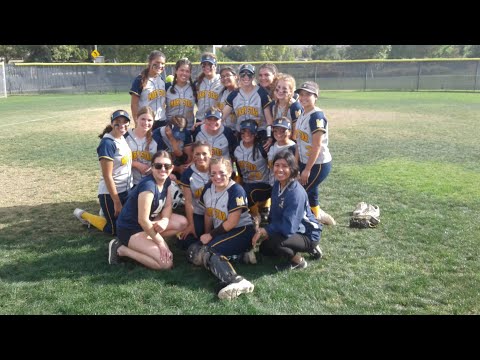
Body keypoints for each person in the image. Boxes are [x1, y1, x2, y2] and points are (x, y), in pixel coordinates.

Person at [186, 157, 256, 300]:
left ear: (230, 172)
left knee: (210, 251)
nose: (217, 177)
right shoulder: (208, 187)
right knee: (193, 251)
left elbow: (232, 222)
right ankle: (242, 256)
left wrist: (210, 235)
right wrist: (206, 233)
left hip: (242, 231)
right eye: (213, 173)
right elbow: (208, 213)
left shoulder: (236, 190)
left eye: (222, 173)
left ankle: (236, 280)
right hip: (222, 231)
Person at [108, 150, 188, 269]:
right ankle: (121, 249)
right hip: (131, 229)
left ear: (171, 168)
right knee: (165, 264)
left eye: (167, 166)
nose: (163, 169)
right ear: (152, 167)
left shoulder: (166, 181)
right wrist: (162, 243)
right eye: (158, 166)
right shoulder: (148, 187)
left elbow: (167, 206)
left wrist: (165, 220)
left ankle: (148, 241)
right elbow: (143, 221)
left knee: (183, 223)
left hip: (147, 224)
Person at [252, 150, 323, 271]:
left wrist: (267, 230)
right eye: (277, 165)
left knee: (276, 242)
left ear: (292, 169)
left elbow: (288, 228)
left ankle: (299, 261)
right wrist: (265, 229)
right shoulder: (277, 185)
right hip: (290, 229)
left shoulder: (295, 193)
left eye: (285, 166)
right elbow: (274, 213)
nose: (280, 170)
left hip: (307, 234)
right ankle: (299, 248)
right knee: (265, 249)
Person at [74, 110, 133, 235]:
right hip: (110, 194)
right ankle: (85, 215)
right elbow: (107, 176)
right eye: (117, 122)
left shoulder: (122, 137)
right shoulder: (107, 143)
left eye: (125, 122)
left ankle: (105, 212)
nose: (122, 125)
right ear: (112, 124)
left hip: (126, 190)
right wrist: (116, 202)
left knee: (128, 225)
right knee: (114, 231)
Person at [294, 81, 335, 225]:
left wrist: (307, 169)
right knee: (311, 191)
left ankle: (303, 222)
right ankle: (316, 216)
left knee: (300, 192)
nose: (303, 97)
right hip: (305, 161)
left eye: (308, 94)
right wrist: (296, 163)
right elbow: (299, 142)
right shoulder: (302, 113)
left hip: (318, 164)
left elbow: (317, 145)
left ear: (315, 96)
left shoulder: (316, 116)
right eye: (301, 94)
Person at [221, 64, 274, 152]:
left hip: (259, 133)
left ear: (253, 76)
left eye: (249, 74)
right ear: (238, 76)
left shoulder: (262, 93)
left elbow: (269, 120)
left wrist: (269, 136)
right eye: (243, 74)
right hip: (242, 134)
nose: (246, 77)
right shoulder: (234, 94)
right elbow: (222, 116)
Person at [233, 119, 271, 225]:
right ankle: (250, 212)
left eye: (250, 132)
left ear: (255, 134)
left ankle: (256, 215)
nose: (247, 134)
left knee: (247, 192)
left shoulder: (262, 147)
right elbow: (239, 170)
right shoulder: (237, 148)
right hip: (247, 183)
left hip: (264, 184)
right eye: (244, 131)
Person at [176, 140, 212, 250]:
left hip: (218, 213)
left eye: (204, 153)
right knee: (186, 241)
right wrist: (191, 224)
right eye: (197, 154)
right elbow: (188, 201)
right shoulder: (188, 173)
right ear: (192, 155)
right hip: (199, 212)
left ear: (211, 154)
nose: (201, 157)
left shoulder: (217, 169)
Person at [129, 50, 167, 130]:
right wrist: (136, 122)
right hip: (147, 121)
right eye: (157, 62)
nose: (160, 65)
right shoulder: (140, 79)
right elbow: (134, 105)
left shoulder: (161, 80)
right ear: (150, 62)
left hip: (162, 120)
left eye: (163, 63)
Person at [124, 106, 158, 187]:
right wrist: (136, 164)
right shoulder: (126, 136)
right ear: (136, 118)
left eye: (149, 120)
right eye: (143, 119)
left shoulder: (156, 139)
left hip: (148, 182)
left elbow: (160, 160)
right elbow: (117, 160)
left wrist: (153, 168)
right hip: (127, 183)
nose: (146, 123)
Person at [152, 115, 193, 179]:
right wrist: (177, 169)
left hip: (180, 167)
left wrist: (176, 149)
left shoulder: (186, 133)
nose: (178, 138)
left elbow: (188, 160)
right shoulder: (156, 136)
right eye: (176, 134)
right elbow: (157, 164)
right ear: (168, 127)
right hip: (162, 170)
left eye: (180, 134)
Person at [165, 58, 197, 130]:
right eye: (182, 70)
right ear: (176, 71)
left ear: (190, 73)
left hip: (188, 129)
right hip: (170, 128)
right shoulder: (167, 87)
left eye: (187, 71)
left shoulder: (194, 88)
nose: (184, 73)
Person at [193, 53, 223, 128]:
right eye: (204, 65)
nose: (206, 67)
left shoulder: (222, 81)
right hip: (200, 119)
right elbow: (196, 101)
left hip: (215, 121)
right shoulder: (197, 82)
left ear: (215, 66)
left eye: (209, 64)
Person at [270, 73, 303, 139]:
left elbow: (296, 132)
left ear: (291, 91)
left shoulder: (295, 106)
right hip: (277, 140)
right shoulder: (273, 104)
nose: (280, 91)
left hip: (290, 141)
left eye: (284, 88)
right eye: (278, 87)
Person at [267, 117, 296, 186]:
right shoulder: (272, 146)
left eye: (283, 131)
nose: (278, 133)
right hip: (272, 184)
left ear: (289, 132)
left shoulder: (293, 148)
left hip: (287, 186)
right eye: (275, 130)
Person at [217, 66, 239, 134]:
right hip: (222, 129)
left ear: (235, 76)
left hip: (235, 131)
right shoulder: (221, 92)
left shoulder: (240, 93)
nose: (225, 78)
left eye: (228, 75)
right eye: (222, 76)